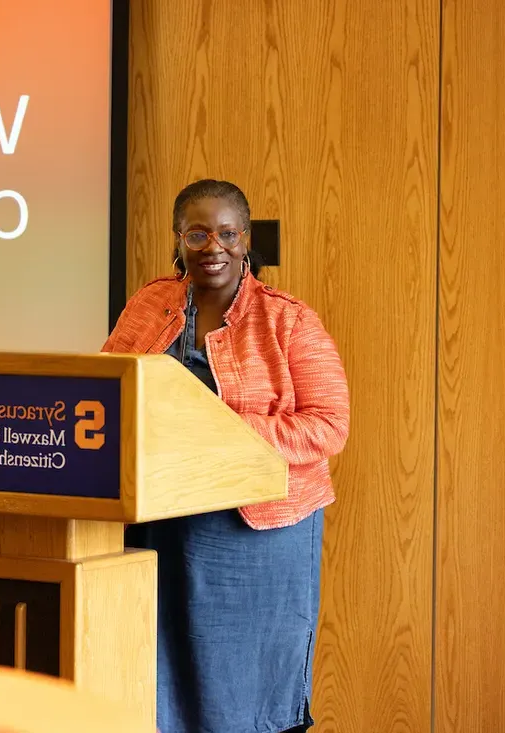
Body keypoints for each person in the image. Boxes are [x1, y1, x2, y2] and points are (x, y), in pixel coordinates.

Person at [101, 179, 350, 733]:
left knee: (242, 685)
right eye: (197, 232)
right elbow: (107, 384)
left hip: (255, 526)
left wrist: (220, 430)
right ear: (178, 239)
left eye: (227, 233)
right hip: (161, 513)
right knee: (163, 666)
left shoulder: (288, 320)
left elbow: (329, 426)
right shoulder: (150, 303)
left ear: (245, 241)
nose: (212, 246)